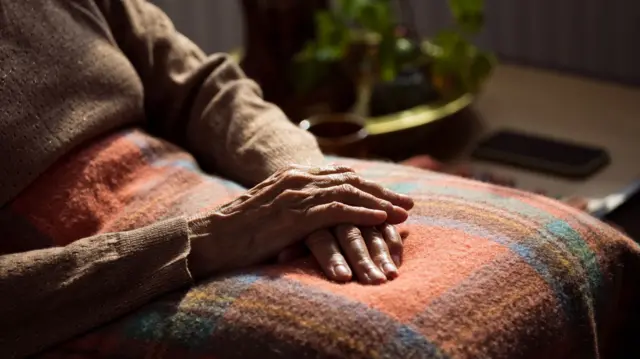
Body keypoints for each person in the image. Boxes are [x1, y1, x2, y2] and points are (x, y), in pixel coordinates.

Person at [0, 0, 414, 356]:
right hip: (99, 289)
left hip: (223, 199)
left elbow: (204, 87)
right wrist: (203, 241)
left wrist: (309, 176)